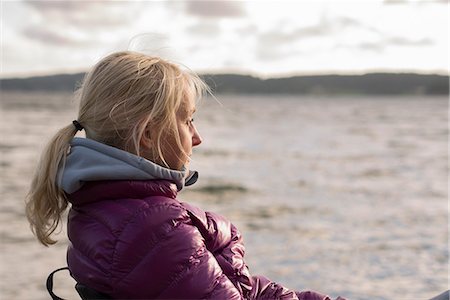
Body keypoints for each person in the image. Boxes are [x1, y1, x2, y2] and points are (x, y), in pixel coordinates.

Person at [25, 51, 345, 300]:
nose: (196, 137)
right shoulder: (154, 229)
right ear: (148, 132)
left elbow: (241, 289)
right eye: (188, 120)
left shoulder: (107, 210)